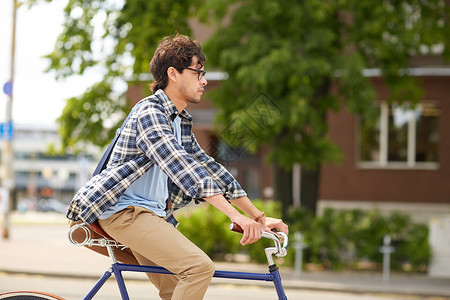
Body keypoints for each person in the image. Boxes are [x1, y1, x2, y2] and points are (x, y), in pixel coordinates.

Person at [67, 34, 289, 300]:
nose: (204, 80)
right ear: (173, 73)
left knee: (176, 291)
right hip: (125, 213)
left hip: (150, 216)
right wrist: (234, 216)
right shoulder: (149, 112)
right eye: (197, 72)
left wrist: (257, 217)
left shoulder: (179, 121)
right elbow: (181, 167)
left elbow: (211, 170)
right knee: (198, 268)